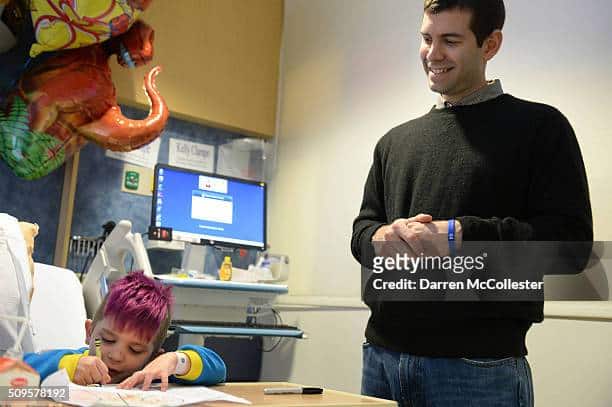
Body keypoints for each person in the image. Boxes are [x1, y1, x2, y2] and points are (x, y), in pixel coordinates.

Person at [351, 0, 592, 406]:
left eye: (450, 40)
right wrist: (382, 237)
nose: (433, 53)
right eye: (426, 39)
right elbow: (361, 232)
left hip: (478, 368)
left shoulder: (541, 128)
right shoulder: (394, 142)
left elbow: (571, 249)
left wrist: (460, 235)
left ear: (490, 44)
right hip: (381, 361)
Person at [24, 271, 226, 391]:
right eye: (108, 340)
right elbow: (14, 369)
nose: (117, 355)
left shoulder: (153, 375)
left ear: (153, 356)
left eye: (136, 350)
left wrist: (175, 362)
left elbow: (218, 369)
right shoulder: (74, 362)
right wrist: (68, 367)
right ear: (89, 332)